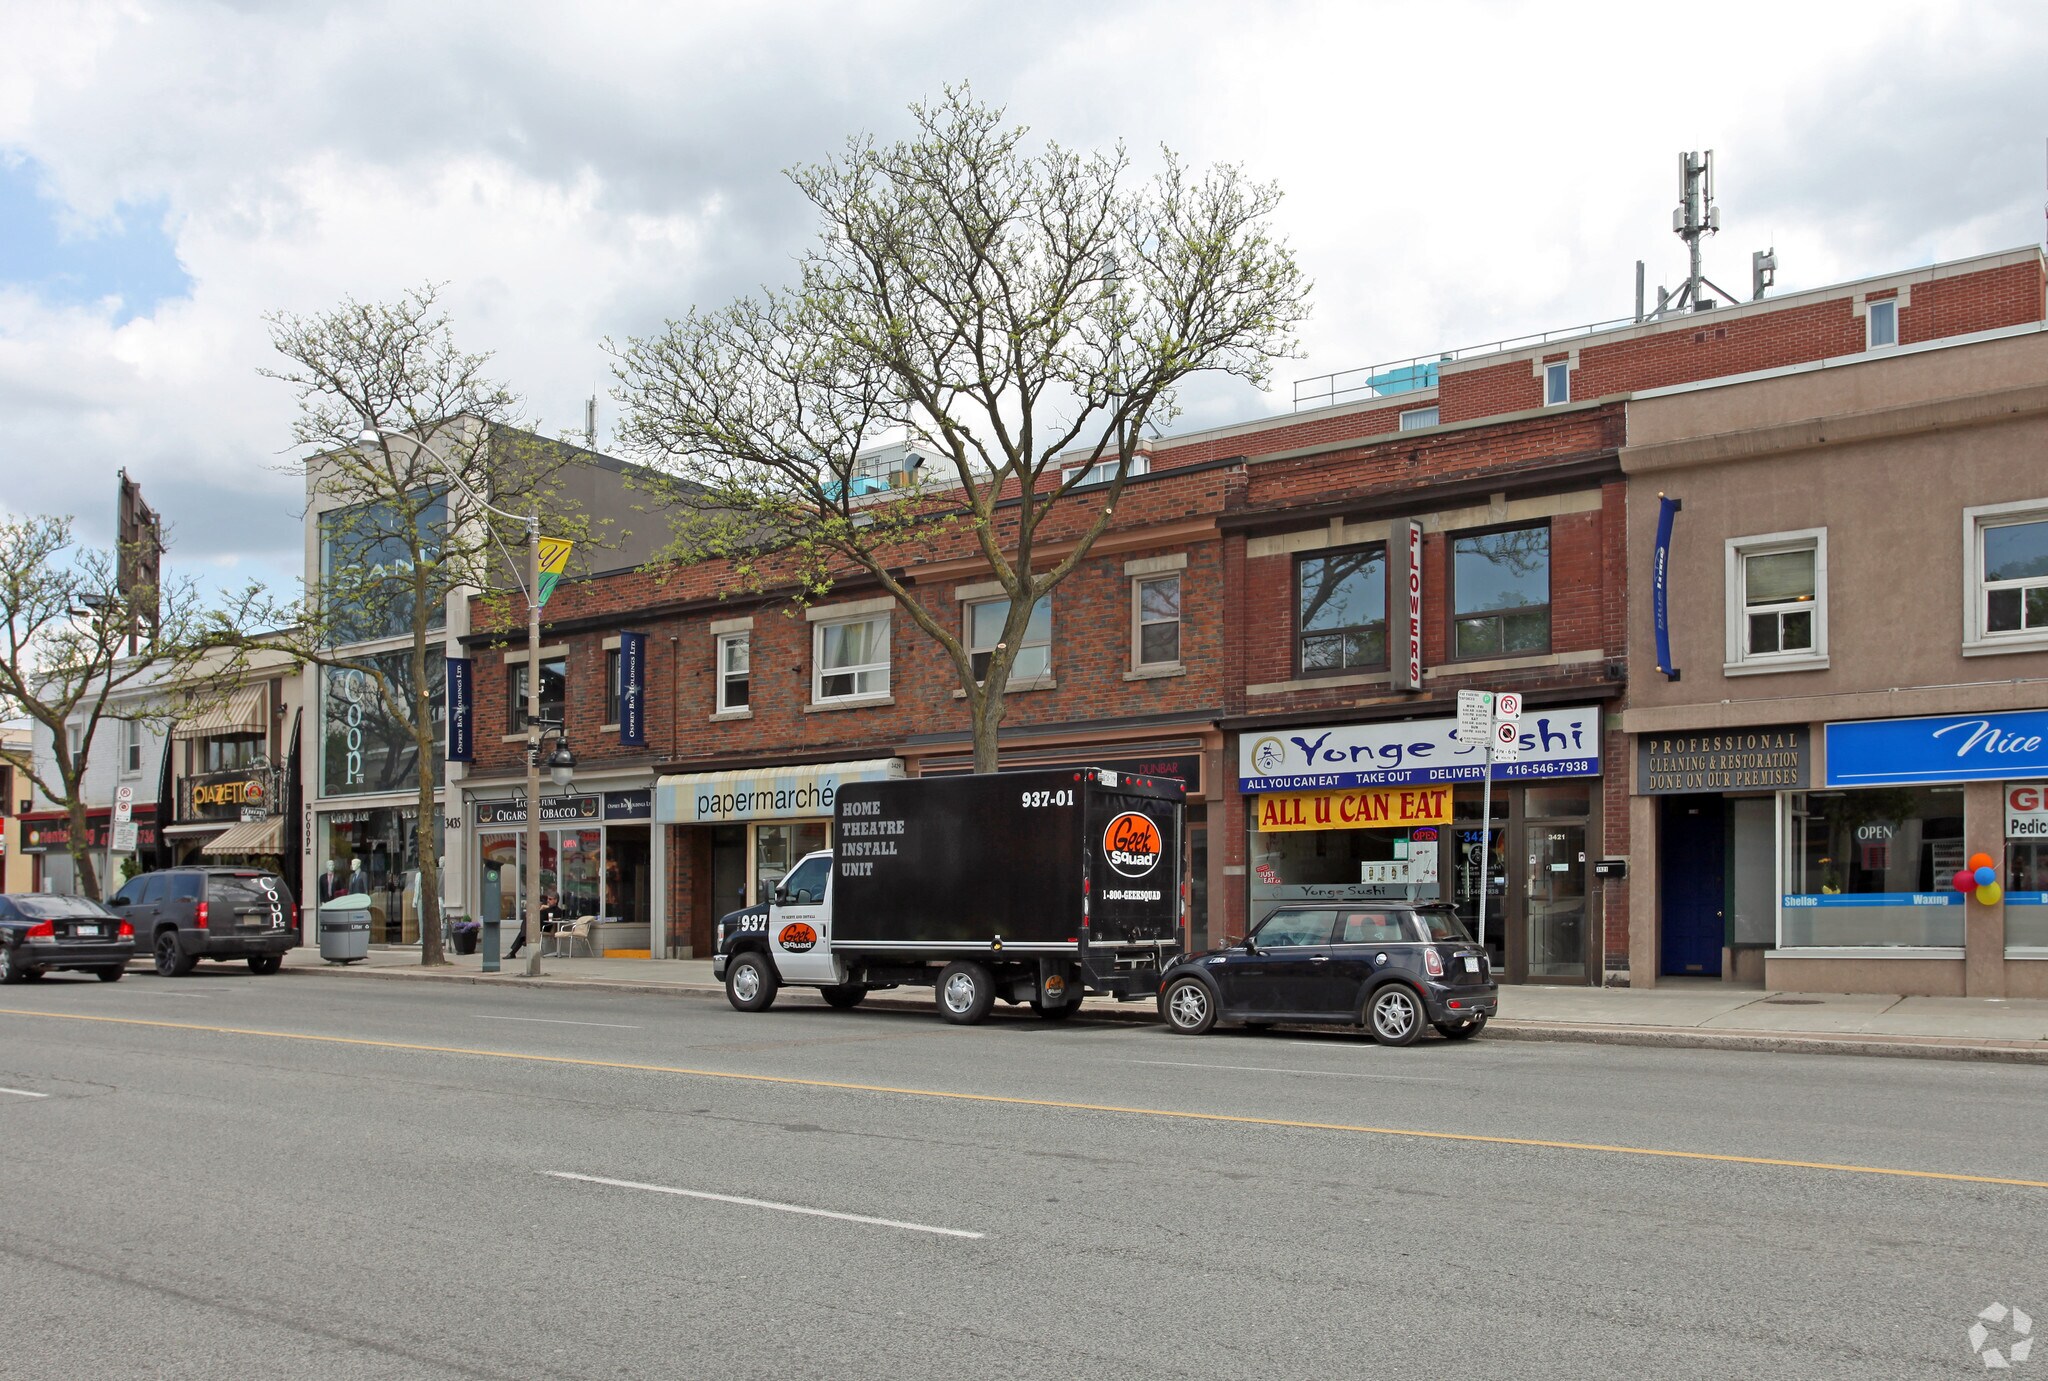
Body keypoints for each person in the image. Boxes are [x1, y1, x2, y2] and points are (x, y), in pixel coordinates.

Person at [505, 891, 562, 959]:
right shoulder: (543, 908)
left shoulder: (558, 910)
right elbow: (534, 915)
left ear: (555, 900)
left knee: (526, 927)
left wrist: (547, 908)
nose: (548, 901)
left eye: (550, 899)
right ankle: (523, 940)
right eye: (547, 899)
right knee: (527, 918)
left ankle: (519, 945)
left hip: (544, 927)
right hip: (535, 926)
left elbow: (554, 919)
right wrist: (540, 909)